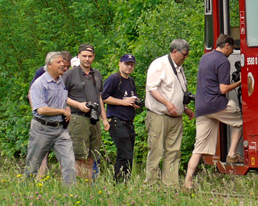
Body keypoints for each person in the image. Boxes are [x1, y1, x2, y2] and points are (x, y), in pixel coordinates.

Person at [183, 34, 244, 189]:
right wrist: (240, 82)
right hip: (216, 104)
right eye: (232, 48)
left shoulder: (205, 57)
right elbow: (223, 89)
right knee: (240, 121)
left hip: (201, 106)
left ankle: (187, 182)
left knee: (198, 148)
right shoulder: (223, 61)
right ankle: (231, 154)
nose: (232, 51)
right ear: (227, 46)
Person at [145, 39, 194, 188]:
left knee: (174, 151)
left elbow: (177, 90)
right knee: (156, 150)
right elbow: (152, 88)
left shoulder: (179, 68)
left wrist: (184, 108)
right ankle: (151, 184)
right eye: (184, 55)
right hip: (159, 115)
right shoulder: (159, 65)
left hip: (176, 117)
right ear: (174, 52)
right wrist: (167, 103)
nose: (185, 58)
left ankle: (170, 185)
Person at [25, 51, 76, 185]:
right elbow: (41, 109)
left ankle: (72, 196)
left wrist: (67, 110)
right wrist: (61, 111)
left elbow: (61, 101)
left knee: (69, 162)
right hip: (42, 128)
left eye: (63, 62)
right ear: (49, 65)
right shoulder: (39, 84)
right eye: (58, 62)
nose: (62, 64)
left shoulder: (60, 82)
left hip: (60, 130)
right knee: (33, 164)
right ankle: (25, 191)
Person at [63, 44, 109, 180]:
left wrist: (104, 118)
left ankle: (88, 189)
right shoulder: (70, 74)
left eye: (90, 56)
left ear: (94, 57)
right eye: (84, 56)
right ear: (78, 56)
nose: (87, 59)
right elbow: (60, 95)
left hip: (94, 119)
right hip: (78, 117)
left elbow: (99, 96)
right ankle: (79, 188)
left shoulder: (97, 74)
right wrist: (78, 104)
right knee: (80, 157)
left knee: (92, 157)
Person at [102, 54, 142, 182]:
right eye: (126, 64)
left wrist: (135, 103)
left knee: (128, 155)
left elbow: (131, 98)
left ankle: (125, 181)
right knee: (124, 154)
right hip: (117, 120)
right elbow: (103, 97)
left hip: (129, 122)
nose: (129, 67)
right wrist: (123, 102)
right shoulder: (114, 79)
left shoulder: (131, 81)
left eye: (131, 65)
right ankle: (119, 182)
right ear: (120, 64)